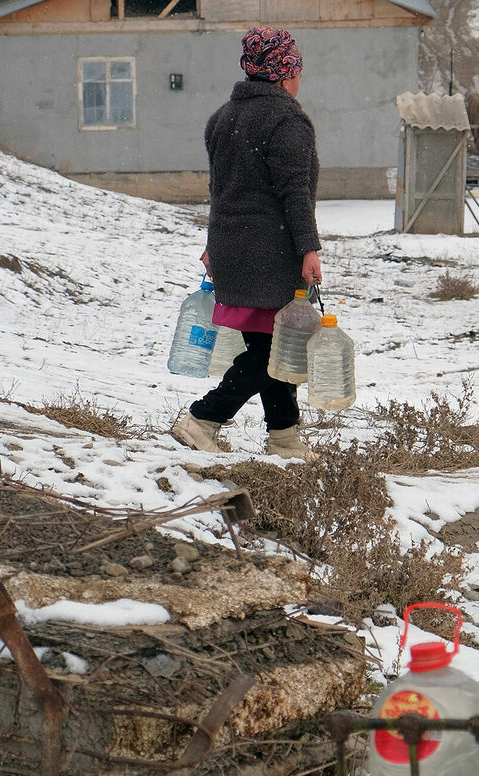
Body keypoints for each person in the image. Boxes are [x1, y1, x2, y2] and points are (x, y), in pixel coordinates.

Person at [171, 27, 321, 461]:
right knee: (274, 349)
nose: (299, 80)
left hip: (233, 248)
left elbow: (220, 191)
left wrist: (211, 245)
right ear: (284, 72)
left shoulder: (222, 117)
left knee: (269, 345)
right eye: (297, 70)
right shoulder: (287, 119)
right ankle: (202, 419)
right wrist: (308, 248)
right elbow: (295, 192)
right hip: (269, 252)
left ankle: (285, 438)